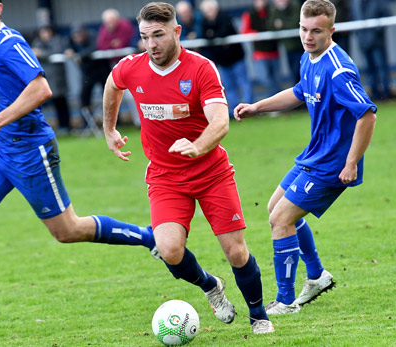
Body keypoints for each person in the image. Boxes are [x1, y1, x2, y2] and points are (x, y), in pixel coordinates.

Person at [0, 0, 156, 329]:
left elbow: (41, 88)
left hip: (29, 151)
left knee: (67, 231)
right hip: (0, 150)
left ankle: (147, 237)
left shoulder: (8, 42)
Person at [103, 2, 275, 335]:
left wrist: (198, 145)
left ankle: (258, 315)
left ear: (176, 31)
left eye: (158, 35)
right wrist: (109, 128)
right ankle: (210, 285)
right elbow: (113, 84)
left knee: (236, 252)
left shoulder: (201, 69)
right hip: (166, 177)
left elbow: (220, 121)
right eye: (144, 37)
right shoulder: (132, 67)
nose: (151, 44)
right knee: (168, 249)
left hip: (211, 172)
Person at [234, 0, 377, 315]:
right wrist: (258, 106)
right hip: (314, 156)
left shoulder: (339, 70)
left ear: (331, 30)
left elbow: (367, 115)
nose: (308, 37)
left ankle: (286, 301)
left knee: (280, 219)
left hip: (332, 164)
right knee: (275, 208)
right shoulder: (308, 57)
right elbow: (299, 91)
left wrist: (351, 162)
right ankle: (316, 276)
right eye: (303, 29)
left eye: (316, 31)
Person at [200, 0, 253, 115]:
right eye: (206, 11)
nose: (209, 13)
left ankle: (248, 108)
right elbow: (204, 35)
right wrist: (214, 36)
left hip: (236, 58)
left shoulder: (224, 17)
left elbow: (223, 32)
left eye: (210, 10)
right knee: (228, 86)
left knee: (243, 83)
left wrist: (212, 34)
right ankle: (233, 111)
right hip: (222, 61)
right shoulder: (205, 22)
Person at [65, 23, 111, 133]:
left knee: (109, 95)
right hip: (88, 73)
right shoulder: (71, 40)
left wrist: (80, 55)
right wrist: (68, 50)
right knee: (83, 97)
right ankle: (87, 123)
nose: (77, 38)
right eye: (75, 36)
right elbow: (66, 47)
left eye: (79, 35)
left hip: (102, 70)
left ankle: (115, 122)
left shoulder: (93, 36)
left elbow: (96, 46)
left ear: (84, 33)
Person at [32, 25, 72, 135]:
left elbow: (56, 52)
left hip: (59, 79)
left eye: (46, 32)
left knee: (62, 103)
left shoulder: (58, 41)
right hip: (46, 80)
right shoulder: (38, 43)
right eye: (42, 32)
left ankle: (66, 126)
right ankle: (57, 127)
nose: (45, 35)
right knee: (52, 104)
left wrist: (41, 53)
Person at [240, 0, 280, 99]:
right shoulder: (249, 14)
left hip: (274, 52)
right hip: (260, 54)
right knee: (265, 79)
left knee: (276, 79)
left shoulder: (272, 11)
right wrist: (257, 34)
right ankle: (272, 104)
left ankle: (278, 104)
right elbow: (245, 31)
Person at [352, 0, 391, 100]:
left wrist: (377, 31)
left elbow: (386, 14)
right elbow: (353, 17)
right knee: (369, 69)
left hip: (376, 40)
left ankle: (386, 93)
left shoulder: (377, 1)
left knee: (381, 67)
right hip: (363, 41)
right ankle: (375, 94)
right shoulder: (355, 2)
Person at [268, 0, 303, 84]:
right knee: (294, 73)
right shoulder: (274, 10)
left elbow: (296, 24)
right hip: (288, 47)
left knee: (302, 71)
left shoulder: (295, 5)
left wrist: (282, 24)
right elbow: (270, 26)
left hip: (302, 45)